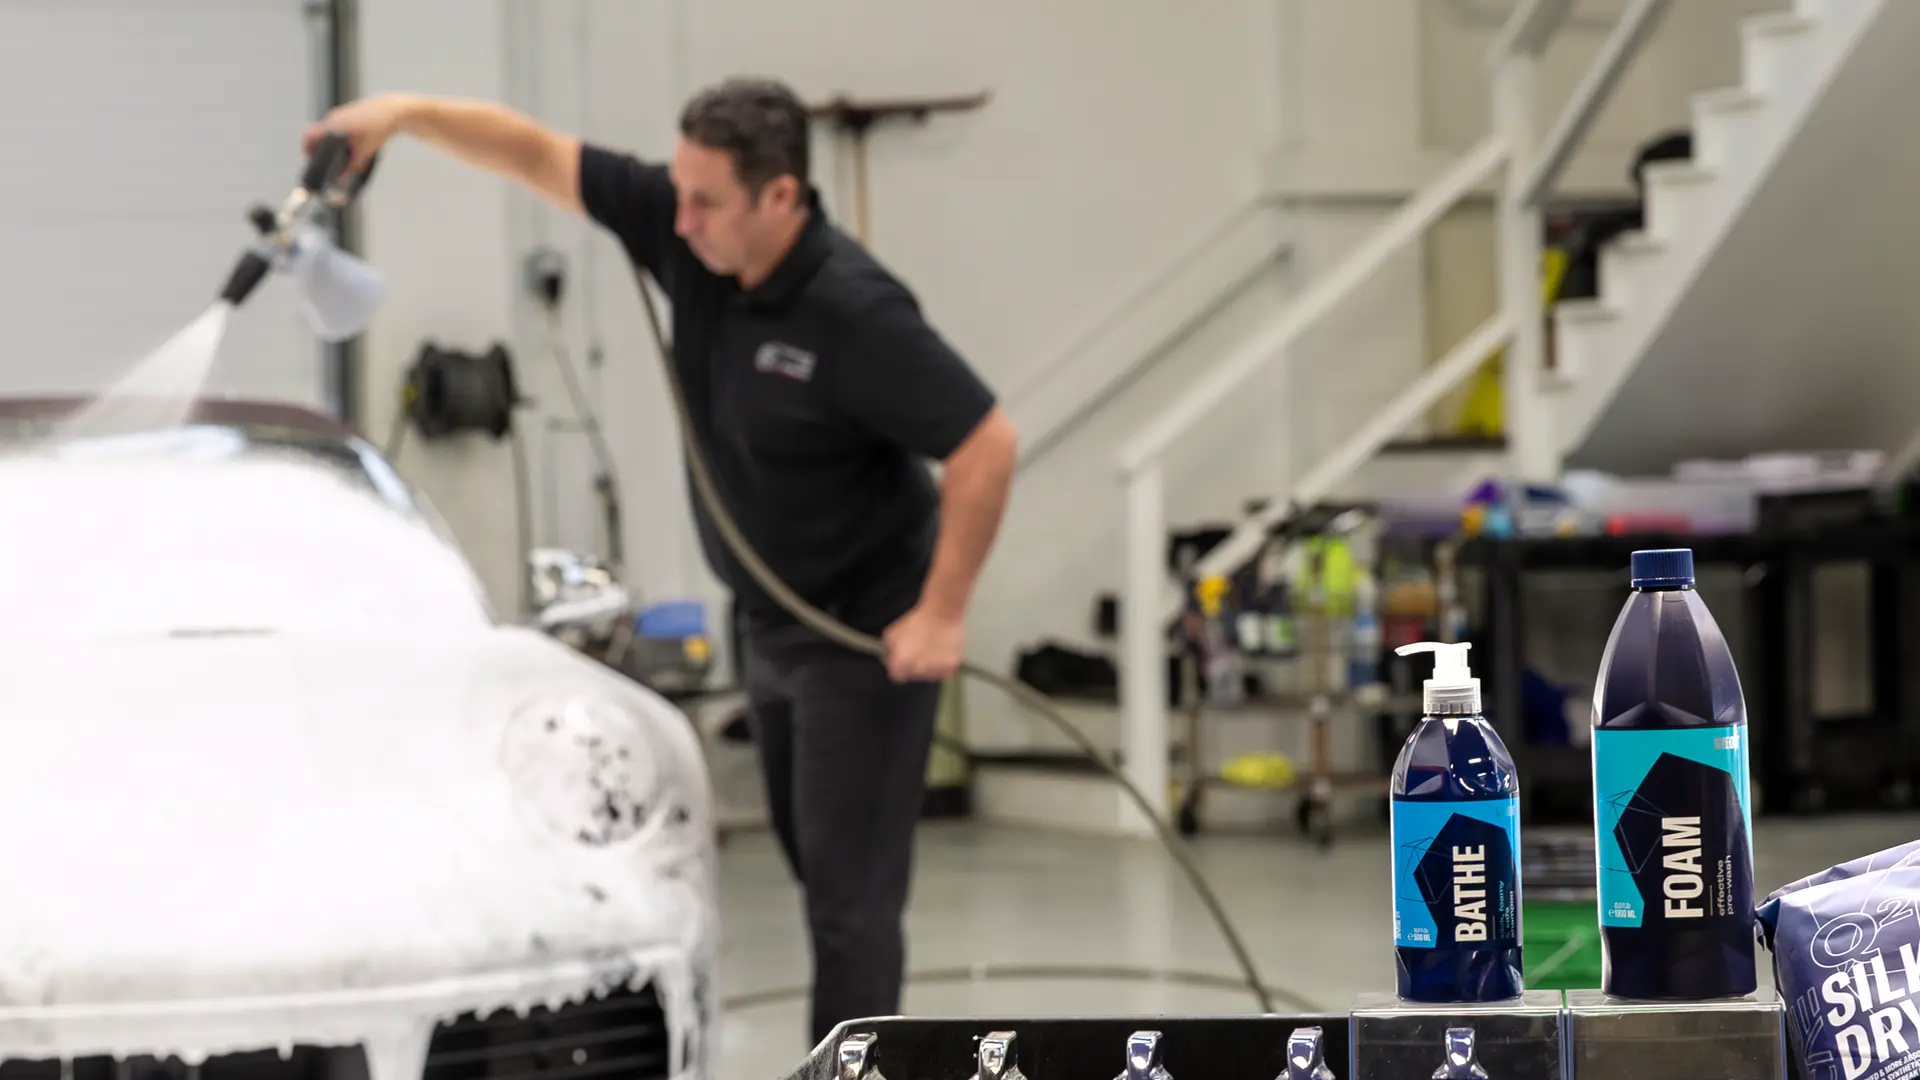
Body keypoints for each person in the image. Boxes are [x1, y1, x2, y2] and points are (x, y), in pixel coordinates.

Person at [306, 77, 1018, 1044]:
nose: (678, 221)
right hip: (767, 620)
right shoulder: (688, 236)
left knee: (849, 907)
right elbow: (534, 153)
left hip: (859, 635)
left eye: (706, 202)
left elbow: (985, 445)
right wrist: (402, 116)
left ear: (781, 198)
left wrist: (940, 614)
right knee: (811, 865)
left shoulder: (856, 315)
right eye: (677, 194)